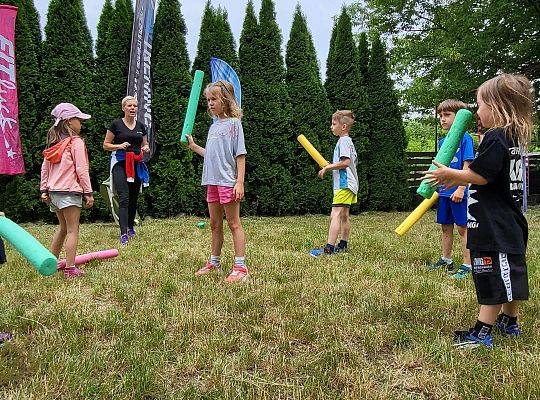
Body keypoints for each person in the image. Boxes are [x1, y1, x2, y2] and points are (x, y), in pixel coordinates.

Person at [425, 74, 534, 349]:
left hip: (494, 222)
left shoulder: (496, 137)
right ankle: (510, 322)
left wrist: (450, 174)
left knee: (490, 273)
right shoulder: (514, 137)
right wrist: (459, 176)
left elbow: (481, 175)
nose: (477, 111)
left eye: (479, 104)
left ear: (498, 106)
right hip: (508, 220)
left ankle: (482, 331)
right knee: (510, 272)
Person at [186, 80, 248, 283]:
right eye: (208, 100)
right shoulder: (214, 127)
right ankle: (214, 262)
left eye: (214, 99)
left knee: (233, 223)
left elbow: (240, 155)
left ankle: (240, 267)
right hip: (211, 181)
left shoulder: (234, 124)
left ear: (226, 100)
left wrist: (239, 182)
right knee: (214, 224)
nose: (210, 104)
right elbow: (211, 155)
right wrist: (195, 147)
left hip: (227, 181)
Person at [40, 103, 94, 278]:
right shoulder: (76, 142)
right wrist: (88, 192)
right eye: (78, 119)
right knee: (72, 230)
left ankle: (52, 262)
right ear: (70, 121)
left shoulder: (55, 144)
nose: (81, 123)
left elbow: (45, 169)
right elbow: (81, 169)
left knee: (63, 228)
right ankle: (70, 269)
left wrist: (44, 189)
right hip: (70, 192)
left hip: (54, 192)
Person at [428, 100, 475, 279]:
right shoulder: (442, 142)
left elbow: (467, 164)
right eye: (440, 116)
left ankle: (467, 264)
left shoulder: (465, 138)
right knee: (445, 227)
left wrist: (461, 188)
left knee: (463, 228)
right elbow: (441, 166)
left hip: (458, 191)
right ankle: (446, 259)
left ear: (459, 117)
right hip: (444, 191)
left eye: (447, 115)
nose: (442, 119)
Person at [310, 110, 358, 257]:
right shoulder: (348, 141)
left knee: (335, 214)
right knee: (344, 214)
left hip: (344, 184)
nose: (331, 127)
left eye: (334, 124)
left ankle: (329, 249)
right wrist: (332, 165)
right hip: (351, 184)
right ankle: (343, 244)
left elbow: (345, 162)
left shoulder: (343, 141)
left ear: (343, 126)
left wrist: (327, 167)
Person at [103, 96, 150, 245]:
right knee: (124, 197)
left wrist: (146, 148)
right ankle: (123, 233)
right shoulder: (116, 124)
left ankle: (130, 227)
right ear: (123, 108)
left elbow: (145, 144)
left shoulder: (141, 126)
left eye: (135, 106)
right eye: (129, 106)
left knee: (134, 198)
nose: (132, 108)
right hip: (120, 163)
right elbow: (106, 145)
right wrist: (118, 146)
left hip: (136, 164)